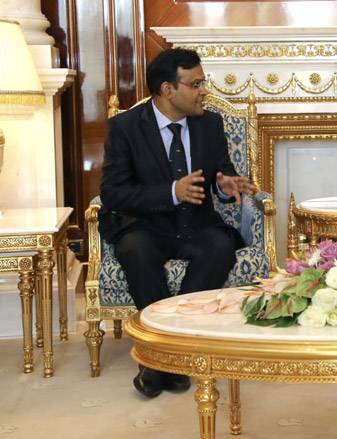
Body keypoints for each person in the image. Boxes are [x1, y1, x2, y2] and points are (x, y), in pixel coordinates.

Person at [99, 48, 255, 398]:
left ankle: (161, 358)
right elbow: (113, 193)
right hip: (146, 225)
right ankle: (171, 356)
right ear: (168, 90)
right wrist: (171, 191)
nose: (204, 91)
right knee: (134, 249)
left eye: (204, 82)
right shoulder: (125, 127)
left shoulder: (209, 123)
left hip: (195, 224)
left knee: (220, 247)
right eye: (196, 83)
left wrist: (226, 186)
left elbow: (221, 171)